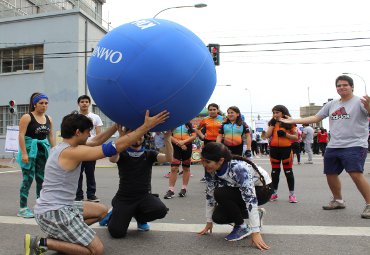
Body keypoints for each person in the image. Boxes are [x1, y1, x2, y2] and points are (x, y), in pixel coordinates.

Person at [24, 110, 169, 255]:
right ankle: (41, 243)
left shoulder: (65, 146)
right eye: (88, 131)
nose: (89, 135)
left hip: (62, 206)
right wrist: (146, 127)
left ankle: (63, 235)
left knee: (102, 211)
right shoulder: (71, 152)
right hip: (53, 212)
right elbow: (113, 148)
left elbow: (96, 141)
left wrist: (115, 126)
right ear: (78, 132)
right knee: (96, 250)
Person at [281, 75, 370, 218]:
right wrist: (293, 120)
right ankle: (338, 200)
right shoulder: (332, 104)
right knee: (330, 174)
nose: (341, 87)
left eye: (345, 85)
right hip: (334, 145)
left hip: (355, 144)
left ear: (352, 87)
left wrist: (369, 106)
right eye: (339, 85)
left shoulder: (360, 102)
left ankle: (369, 204)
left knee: (355, 173)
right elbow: (316, 118)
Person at [197, 142, 270, 251]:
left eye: (207, 162)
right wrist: (209, 222)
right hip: (239, 191)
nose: (204, 164)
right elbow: (209, 195)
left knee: (220, 193)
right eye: (202, 160)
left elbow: (250, 199)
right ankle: (257, 215)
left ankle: (242, 227)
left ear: (221, 160)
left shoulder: (238, 168)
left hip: (263, 190)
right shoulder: (210, 169)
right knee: (218, 217)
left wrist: (256, 232)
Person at [103, 127, 173, 238]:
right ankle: (112, 213)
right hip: (124, 198)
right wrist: (121, 139)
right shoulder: (122, 154)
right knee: (117, 233)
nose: (137, 137)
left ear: (144, 136)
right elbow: (112, 159)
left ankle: (140, 218)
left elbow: (169, 158)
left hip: (143, 196)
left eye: (139, 134)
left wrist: (167, 139)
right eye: (133, 134)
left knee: (161, 210)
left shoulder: (149, 154)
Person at [17, 92, 55, 218]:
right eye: (41, 103)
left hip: (42, 151)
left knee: (42, 179)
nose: (44, 106)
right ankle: (23, 208)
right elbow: (21, 135)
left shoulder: (49, 118)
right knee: (27, 179)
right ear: (35, 104)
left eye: (46, 103)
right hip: (29, 151)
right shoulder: (27, 117)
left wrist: (54, 151)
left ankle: (41, 206)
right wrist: (24, 153)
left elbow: (50, 135)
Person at [266, 105, 298, 203]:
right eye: (274, 113)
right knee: (275, 172)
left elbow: (296, 137)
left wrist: (285, 135)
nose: (275, 115)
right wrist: (271, 125)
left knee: (288, 172)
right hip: (274, 149)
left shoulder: (290, 122)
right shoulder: (272, 122)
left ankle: (292, 194)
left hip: (286, 150)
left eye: (277, 112)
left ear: (283, 113)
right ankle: (274, 193)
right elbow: (267, 135)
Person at [75, 95, 103, 202]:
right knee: (78, 173)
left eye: (86, 101)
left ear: (89, 103)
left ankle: (91, 195)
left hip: (91, 148)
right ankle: (78, 196)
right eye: (82, 101)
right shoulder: (74, 117)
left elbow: (99, 134)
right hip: (78, 148)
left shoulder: (95, 117)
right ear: (79, 104)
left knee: (90, 172)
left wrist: (98, 148)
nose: (84, 103)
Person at [164, 122, 197, 199]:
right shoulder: (173, 122)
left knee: (186, 168)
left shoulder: (189, 123)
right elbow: (168, 135)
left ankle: (184, 188)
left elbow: (194, 136)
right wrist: (179, 143)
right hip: (175, 146)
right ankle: (171, 190)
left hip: (187, 146)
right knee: (174, 168)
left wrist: (184, 142)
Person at [195, 103, 224, 182]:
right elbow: (197, 129)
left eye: (214, 109)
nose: (212, 111)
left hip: (219, 142)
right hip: (208, 141)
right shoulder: (205, 119)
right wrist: (202, 136)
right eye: (210, 110)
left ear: (217, 110)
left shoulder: (223, 119)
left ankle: (219, 176)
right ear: (208, 111)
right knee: (207, 159)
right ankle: (207, 177)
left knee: (218, 159)